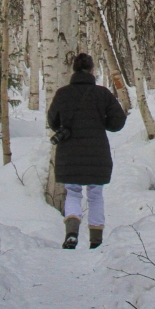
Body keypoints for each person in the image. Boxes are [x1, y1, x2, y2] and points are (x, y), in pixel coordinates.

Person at [46, 52, 127, 249]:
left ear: (73, 70)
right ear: (92, 70)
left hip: (69, 152)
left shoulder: (62, 94)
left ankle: (72, 233)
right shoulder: (102, 94)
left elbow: (52, 121)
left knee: (72, 193)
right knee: (95, 194)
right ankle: (96, 240)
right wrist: (101, 123)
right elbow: (118, 121)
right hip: (97, 152)